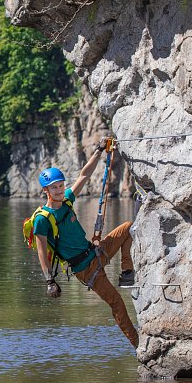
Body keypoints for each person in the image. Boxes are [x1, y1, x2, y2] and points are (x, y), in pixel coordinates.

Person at [32, 143, 139, 348]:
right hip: (85, 268)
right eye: (54, 187)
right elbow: (41, 253)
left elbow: (84, 175)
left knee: (128, 228)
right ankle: (139, 345)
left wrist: (99, 151)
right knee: (116, 303)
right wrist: (49, 281)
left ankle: (127, 273)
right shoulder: (42, 219)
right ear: (46, 190)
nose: (59, 189)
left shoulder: (67, 201)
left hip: (96, 251)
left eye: (61, 185)